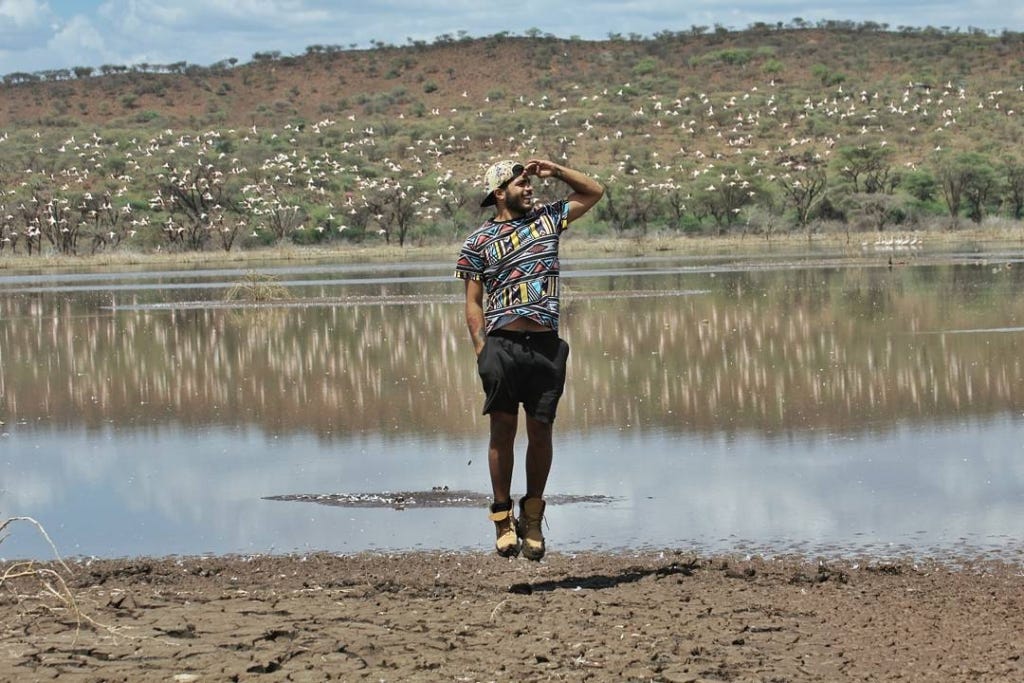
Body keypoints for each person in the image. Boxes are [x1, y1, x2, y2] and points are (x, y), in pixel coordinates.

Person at [454, 158, 603, 560]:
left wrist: (555, 169)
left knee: (541, 433)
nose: (529, 186)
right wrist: (482, 349)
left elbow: (594, 192)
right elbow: (472, 303)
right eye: (520, 183)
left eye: (529, 181)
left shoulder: (548, 221)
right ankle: (502, 515)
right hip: (501, 346)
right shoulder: (478, 242)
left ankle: (532, 515)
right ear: (499, 193)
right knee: (501, 432)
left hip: (545, 347)